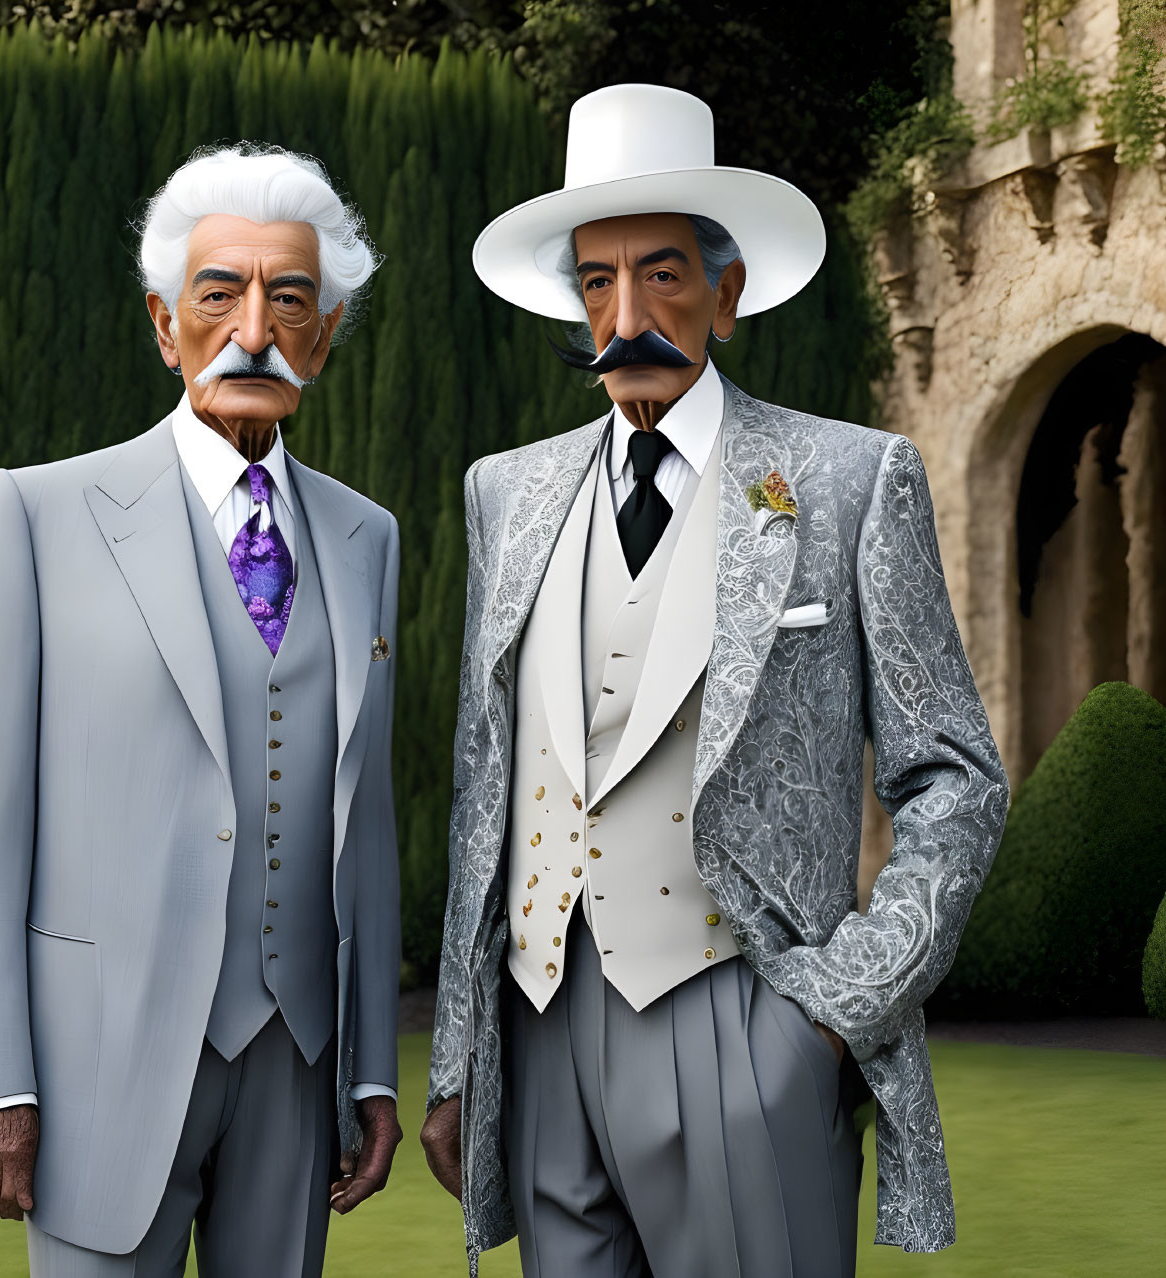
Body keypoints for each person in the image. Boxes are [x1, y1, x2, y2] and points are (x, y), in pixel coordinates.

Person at [420, 84, 1010, 1277]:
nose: (624, 313)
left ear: (726, 294)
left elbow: (952, 779)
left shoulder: (846, 480)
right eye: (596, 282)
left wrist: (834, 1012)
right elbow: (487, 781)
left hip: (743, 1019)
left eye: (662, 276)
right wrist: (458, 1057)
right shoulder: (507, 491)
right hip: (538, 1034)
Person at [0, 142, 403, 1277]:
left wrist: (371, 1066)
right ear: (161, 323)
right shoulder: (36, 515)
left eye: (289, 299)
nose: (253, 327)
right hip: (97, 1070)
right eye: (217, 293)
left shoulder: (364, 535)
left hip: (295, 1063)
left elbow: (363, 821)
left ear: (323, 334)